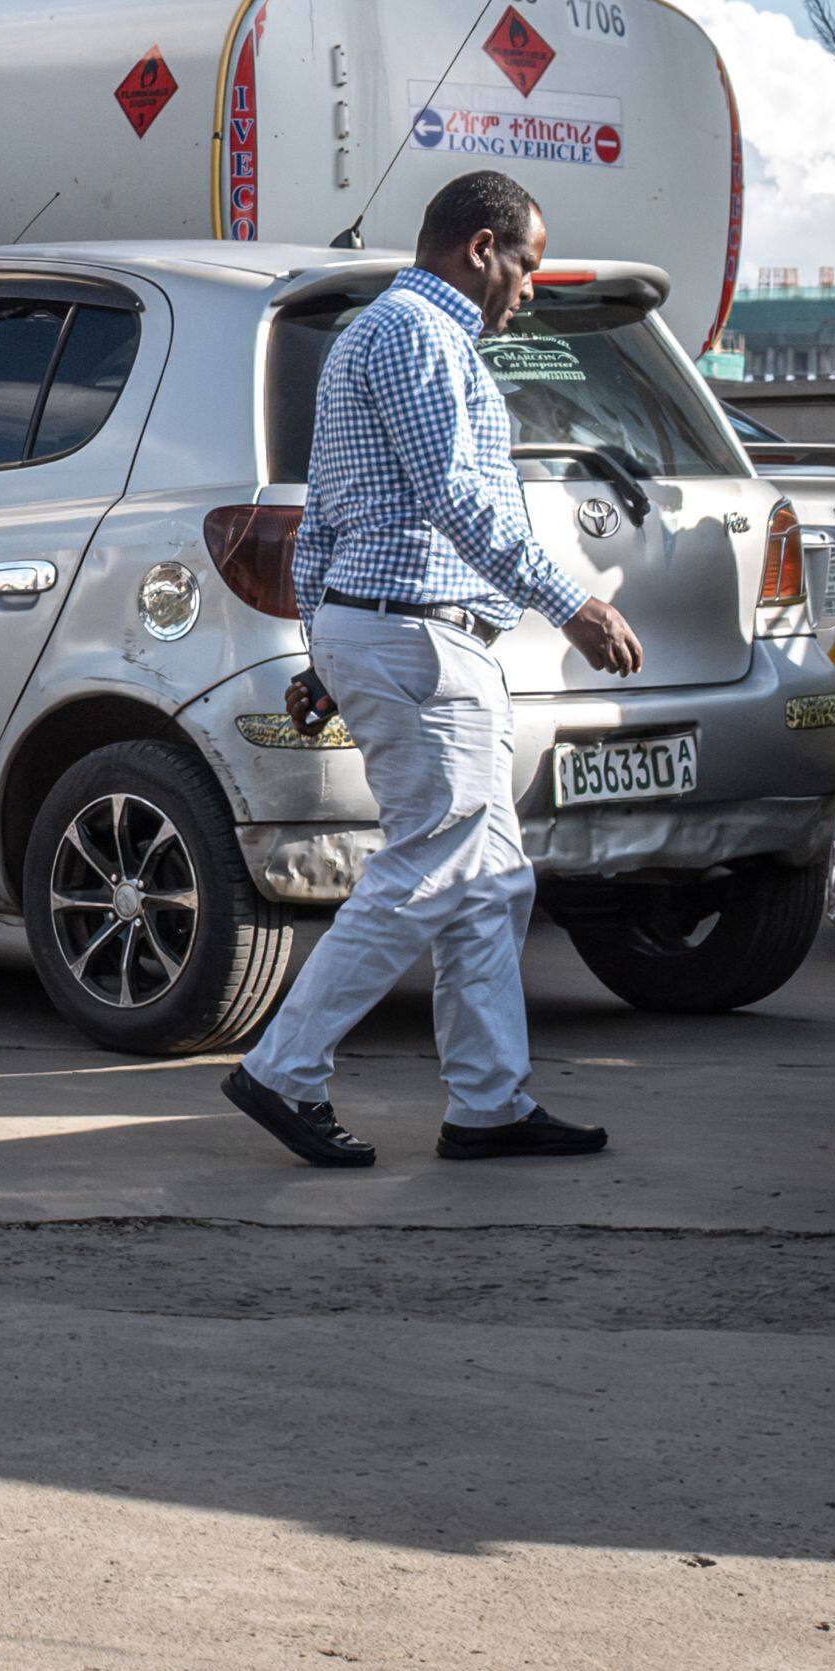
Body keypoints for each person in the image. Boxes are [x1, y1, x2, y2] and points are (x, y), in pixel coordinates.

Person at [222, 170, 643, 1171]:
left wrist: (327, 652)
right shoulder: (419, 333)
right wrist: (570, 602)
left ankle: (489, 1106)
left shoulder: (382, 335)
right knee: (434, 864)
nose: (530, 289)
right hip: (419, 636)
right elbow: (456, 494)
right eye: (527, 264)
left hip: (406, 632)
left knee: (490, 881)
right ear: (480, 249)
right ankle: (283, 1069)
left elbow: (324, 521)